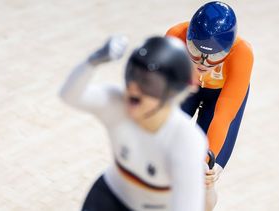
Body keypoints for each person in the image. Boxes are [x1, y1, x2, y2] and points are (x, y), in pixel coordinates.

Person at [59, 35, 208, 211]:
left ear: (173, 93)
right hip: (107, 198)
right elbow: (69, 96)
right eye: (132, 74)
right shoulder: (116, 104)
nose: (133, 87)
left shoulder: (186, 140)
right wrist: (92, 62)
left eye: (148, 83)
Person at [166, 1, 254, 210]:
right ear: (186, 38)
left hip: (221, 97)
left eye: (214, 56)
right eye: (195, 51)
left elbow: (223, 117)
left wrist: (207, 164)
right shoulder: (174, 36)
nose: (202, 63)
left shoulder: (242, 54)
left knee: (203, 177)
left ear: (229, 49)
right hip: (186, 88)